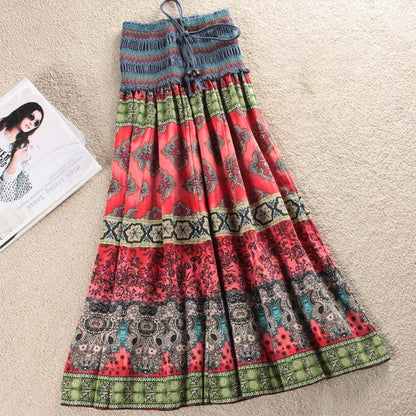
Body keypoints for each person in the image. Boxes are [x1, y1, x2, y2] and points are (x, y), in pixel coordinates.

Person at [0, 102, 44, 202]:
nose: (32, 123)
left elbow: (7, 180)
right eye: (31, 117)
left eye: (36, 123)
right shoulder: (1, 126)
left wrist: (15, 159)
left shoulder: (23, 149)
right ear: (23, 112)